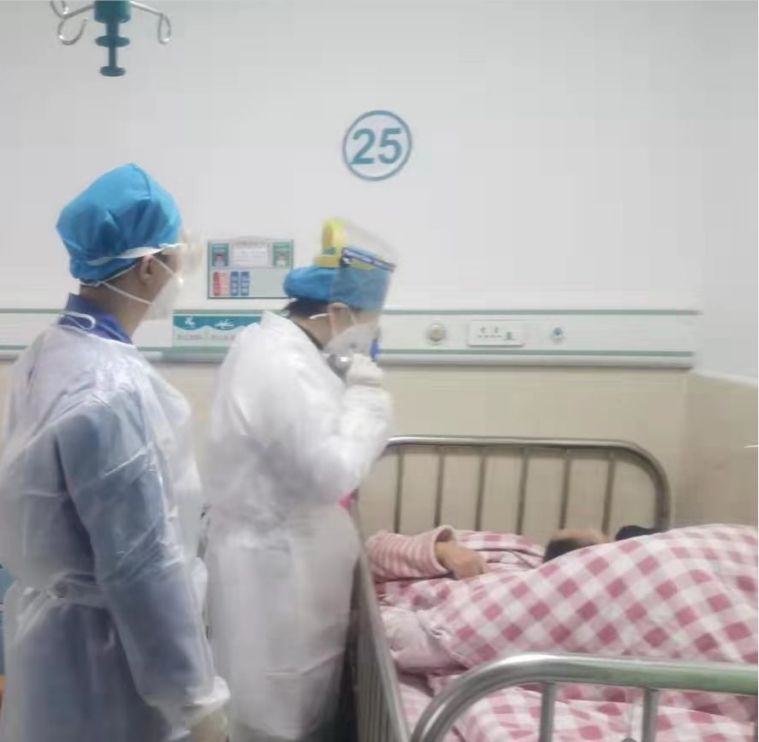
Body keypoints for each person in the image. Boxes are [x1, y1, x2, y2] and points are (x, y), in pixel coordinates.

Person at [0, 164, 229, 742]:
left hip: (52, 638)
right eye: (176, 258)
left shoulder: (50, 350)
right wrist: (197, 702)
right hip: (108, 661)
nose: (179, 273)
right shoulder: (112, 392)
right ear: (149, 267)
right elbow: (143, 567)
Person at [204, 218, 396, 741]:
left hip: (288, 560)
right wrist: (367, 400)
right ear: (336, 313)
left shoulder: (289, 352)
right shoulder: (281, 363)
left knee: (291, 703)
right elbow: (329, 473)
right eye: (367, 320)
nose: (370, 333)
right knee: (272, 713)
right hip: (274, 569)